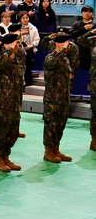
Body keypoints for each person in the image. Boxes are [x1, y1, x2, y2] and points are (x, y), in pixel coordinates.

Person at [0, 34, 24, 172]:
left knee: (12, 132)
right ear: (5, 46)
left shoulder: (18, 61)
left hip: (15, 103)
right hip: (3, 103)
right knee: (1, 131)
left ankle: (6, 157)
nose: (16, 45)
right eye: (12, 43)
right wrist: (9, 50)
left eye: (16, 42)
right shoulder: (1, 60)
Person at [41, 35, 74, 163]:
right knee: (51, 126)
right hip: (52, 98)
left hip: (63, 97)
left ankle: (56, 149)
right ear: (56, 44)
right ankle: (48, 151)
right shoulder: (50, 58)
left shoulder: (65, 59)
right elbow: (54, 62)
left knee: (60, 125)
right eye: (64, 42)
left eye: (67, 42)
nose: (67, 45)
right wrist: (62, 51)